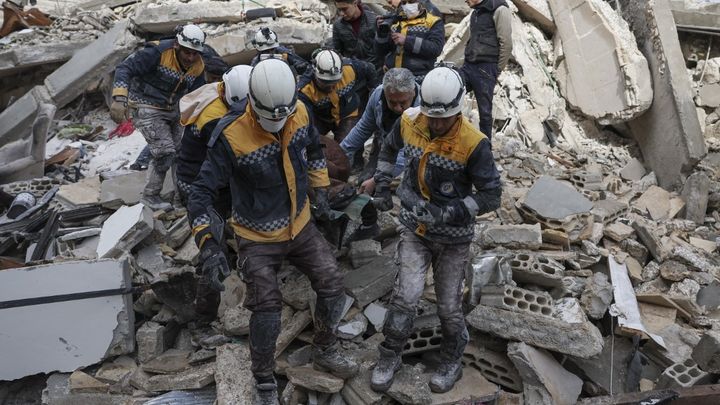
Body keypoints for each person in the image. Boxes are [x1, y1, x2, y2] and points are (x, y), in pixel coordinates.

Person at [188, 59, 358, 404]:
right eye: (270, 120)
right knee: (266, 307)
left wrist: (320, 192)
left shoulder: (298, 111)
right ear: (252, 100)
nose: (277, 125)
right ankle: (263, 377)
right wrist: (207, 243)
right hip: (257, 236)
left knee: (332, 283)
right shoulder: (230, 135)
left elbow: (313, 149)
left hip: (300, 224)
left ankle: (325, 346)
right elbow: (200, 194)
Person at [369, 66, 501, 393]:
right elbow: (387, 150)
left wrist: (449, 212)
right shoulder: (410, 122)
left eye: (445, 119)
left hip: (454, 238)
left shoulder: (473, 143)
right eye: (433, 118)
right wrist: (383, 183)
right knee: (406, 295)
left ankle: (452, 360)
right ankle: (390, 355)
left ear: (458, 108)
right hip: (415, 228)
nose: (438, 124)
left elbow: (491, 195)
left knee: (448, 306)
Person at [110, 24, 206, 211]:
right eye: (187, 52)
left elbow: (198, 95)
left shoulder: (198, 65)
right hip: (145, 104)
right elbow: (125, 68)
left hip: (174, 108)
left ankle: (182, 197)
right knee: (164, 152)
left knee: (184, 151)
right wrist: (119, 98)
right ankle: (150, 195)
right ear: (178, 45)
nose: (191, 57)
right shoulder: (157, 52)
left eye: (195, 53)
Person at [339, 67, 419, 192]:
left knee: (389, 186)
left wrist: (377, 179)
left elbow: (405, 154)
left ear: (413, 92)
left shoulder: (422, 109)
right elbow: (363, 129)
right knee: (363, 180)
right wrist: (340, 153)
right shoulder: (378, 95)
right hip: (386, 147)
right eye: (392, 102)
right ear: (386, 94)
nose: (398, 108)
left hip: (417, 156)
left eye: (403, 102)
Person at [297, 48, 377, 144]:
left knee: (348, 145)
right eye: (326, 82)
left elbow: (370, 69)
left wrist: (373, 92)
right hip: (321, 118)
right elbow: (306, 120)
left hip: (348, 113)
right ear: (315, 74)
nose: (331, 88)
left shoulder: (351, 68)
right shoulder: (305, 90)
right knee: (310, 143)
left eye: (335, 82)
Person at [459, 0, 512, 140]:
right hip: (469, 66)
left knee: (485, 112)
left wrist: (497, 69)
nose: (465, 0)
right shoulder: (476, 12)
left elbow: (506, 43)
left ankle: (485, 150)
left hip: (486, 68)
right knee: (452, 93)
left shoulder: (499, 9)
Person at [375, 0, 444, 81]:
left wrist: (407, 41)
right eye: (404, 2)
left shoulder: (433, 21)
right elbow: (380, 52)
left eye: (411, 2)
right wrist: (381, 33)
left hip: (418, 80)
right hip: (392, 80)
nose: (407, 5)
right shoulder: (394, 21)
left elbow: (435, 49)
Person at [332, 0, 379, 69]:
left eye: (345, 9)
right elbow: (337, 51)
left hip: (375, 70)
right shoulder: (338, 25)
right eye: (339, 10)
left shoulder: (373, 19)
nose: (341, 13)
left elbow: (382, 47)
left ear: (355, 3)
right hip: (352, 71)